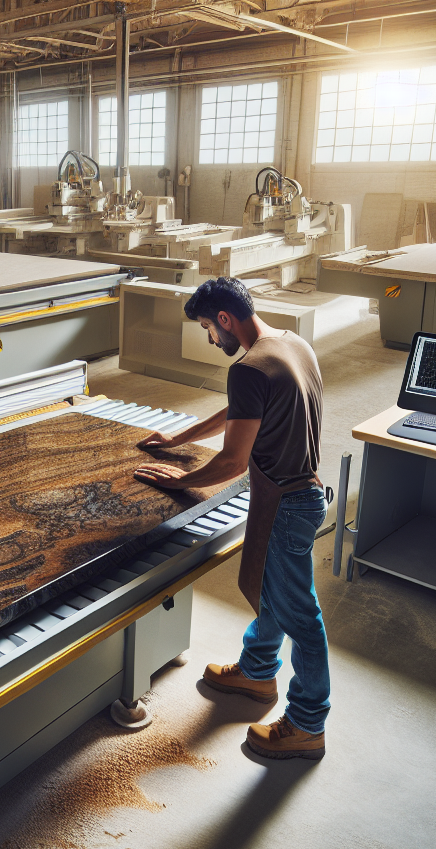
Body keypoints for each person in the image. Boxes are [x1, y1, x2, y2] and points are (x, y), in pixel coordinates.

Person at [133, 276, 328, 761]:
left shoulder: (248, 368)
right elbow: (242, 411)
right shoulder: (289, 345)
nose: (210, 339)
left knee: (301, 617)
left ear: (225, 319)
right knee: (272, 590)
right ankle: (258, 673)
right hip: (304, 494)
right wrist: (179, 438)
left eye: (207, 328)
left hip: (285, 501)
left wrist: (174, 480)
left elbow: (231, 463)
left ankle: (307, 724)